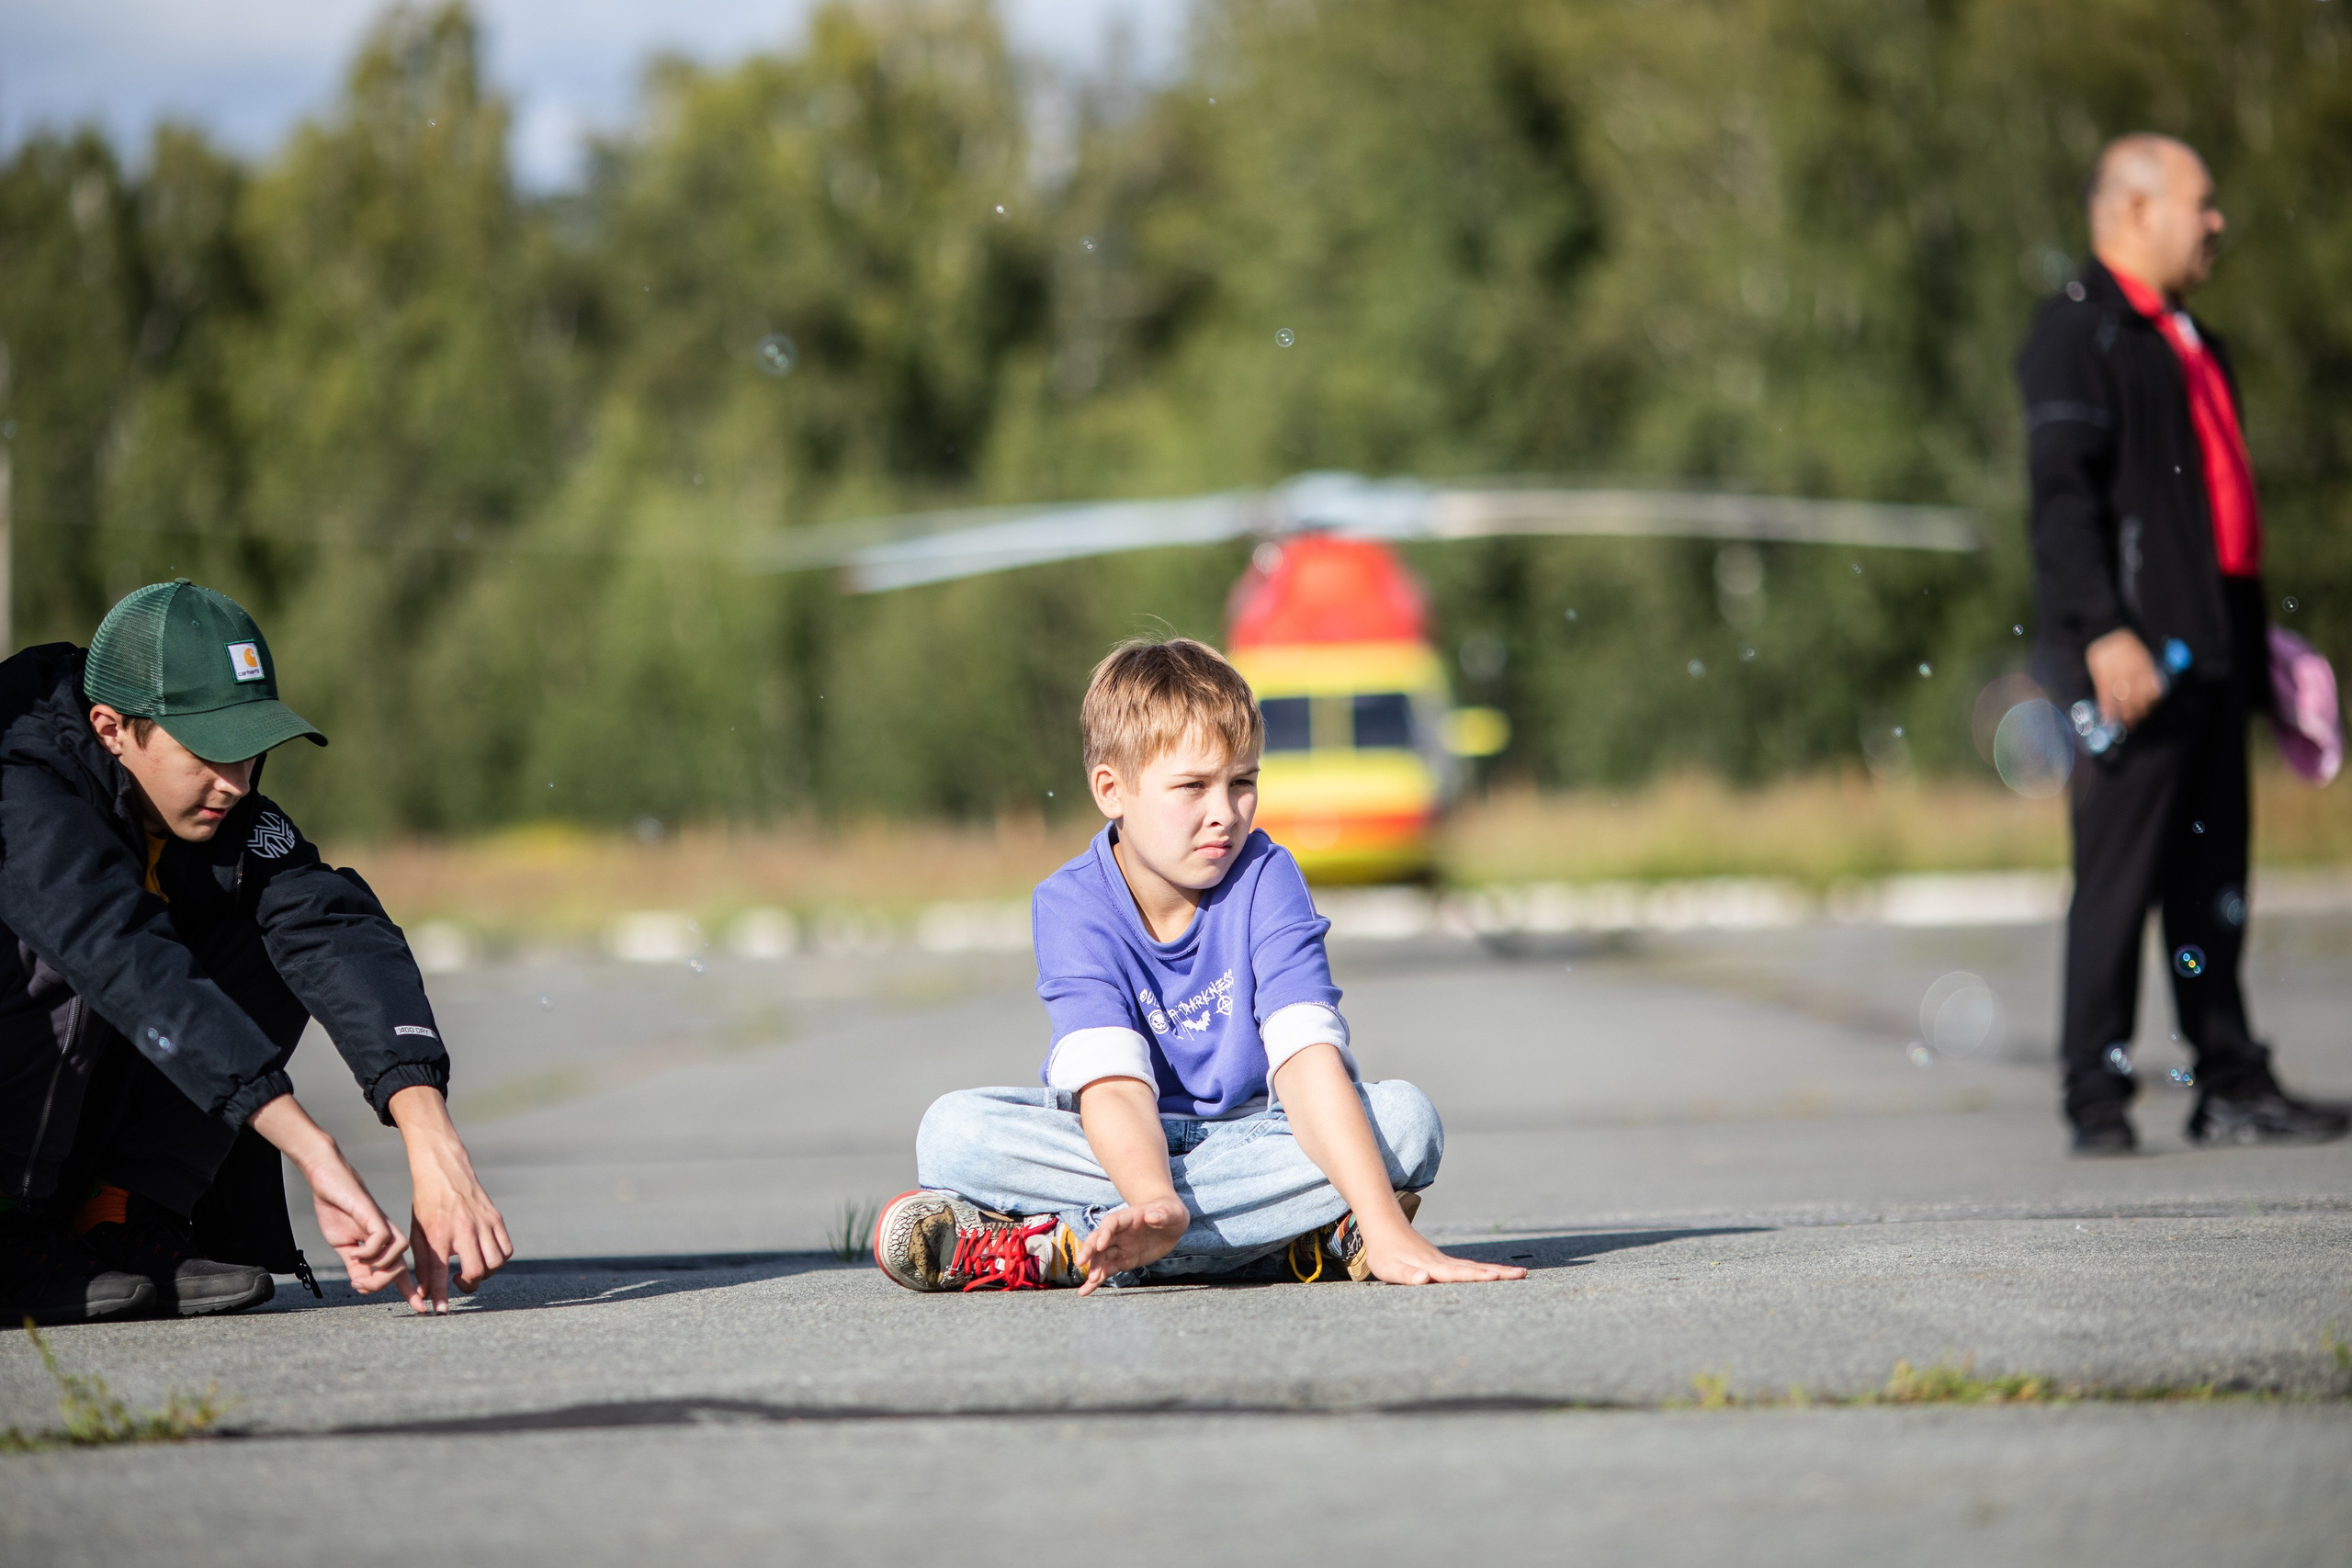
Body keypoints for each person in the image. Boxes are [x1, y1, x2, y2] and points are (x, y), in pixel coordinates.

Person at [874, 636, 1524, 1292]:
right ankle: (1290, 1240)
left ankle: (1071, 1242)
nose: (1225, 814)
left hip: (1257, 1133)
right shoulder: (1070, 903)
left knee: (1408, 1123)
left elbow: (1304, 1062)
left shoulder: (1267, 875)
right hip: (1117, 1142)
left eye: (1243, 782)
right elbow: (1113, 1084)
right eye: (1192, 786)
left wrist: (1388, 1228)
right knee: (953, 1133)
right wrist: (1153, 1195)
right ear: (1111, 789)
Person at [0, 579, 512, 1324]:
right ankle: (10, 1229)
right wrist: (311, 1147)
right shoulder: (22, 788)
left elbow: (333, 927)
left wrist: (430, 1134)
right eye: (210, 752)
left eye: (251, 752)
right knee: (73, 957)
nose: (236, 784)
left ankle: (118, 1217)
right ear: (112, 727)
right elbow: (119, 956)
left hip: (76, 1139)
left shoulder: (213, 803)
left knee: (276, 930)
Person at [2018, 134, 2346, 1156]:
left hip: (2205, 653)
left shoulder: (2187, 337)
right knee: (2119, 883)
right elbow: (2064, 501)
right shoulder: (2081, 334)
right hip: (2131, 665)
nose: (2216, 223)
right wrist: (2101, 630)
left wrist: (2259, 642)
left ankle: (2231, 1077)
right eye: (2198, 204)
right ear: (2132, 211)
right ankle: (2096, 1093)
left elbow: (2206, 511)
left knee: (2213, 891)